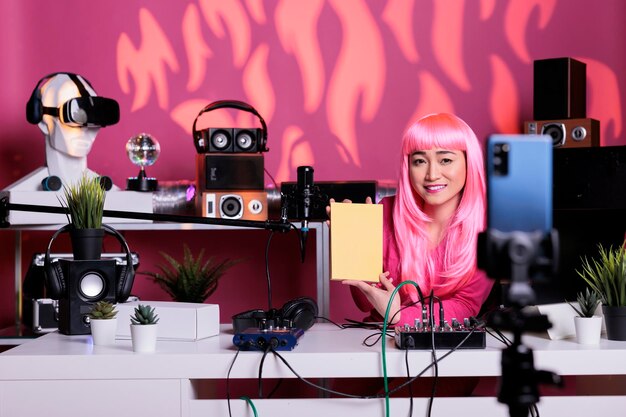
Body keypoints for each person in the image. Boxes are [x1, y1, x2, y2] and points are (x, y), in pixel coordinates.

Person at [337, 113, 493, 326]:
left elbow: (466, 305)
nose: (432, 174)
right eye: (419, 161)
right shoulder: (385, 212)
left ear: (469, 162)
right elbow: (365, 304)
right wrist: (354, 249)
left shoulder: (489, 228)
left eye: (445, 160)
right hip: (380, 338)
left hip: (447, 343)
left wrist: (400, 315)